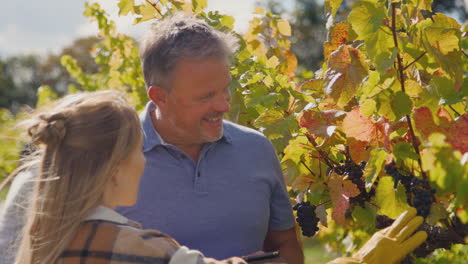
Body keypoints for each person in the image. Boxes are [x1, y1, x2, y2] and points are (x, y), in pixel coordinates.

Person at [115, 13, 303, 264]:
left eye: (225, 88)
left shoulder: (256, 149)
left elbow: (285, 243)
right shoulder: (110, 160)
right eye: (205, 96)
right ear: (159, 97)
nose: (223, 105)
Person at [10, 90, 248, 264]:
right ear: (114, 170)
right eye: (138, 150)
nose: (144, 160)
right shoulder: (145, 251)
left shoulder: (39, 245)